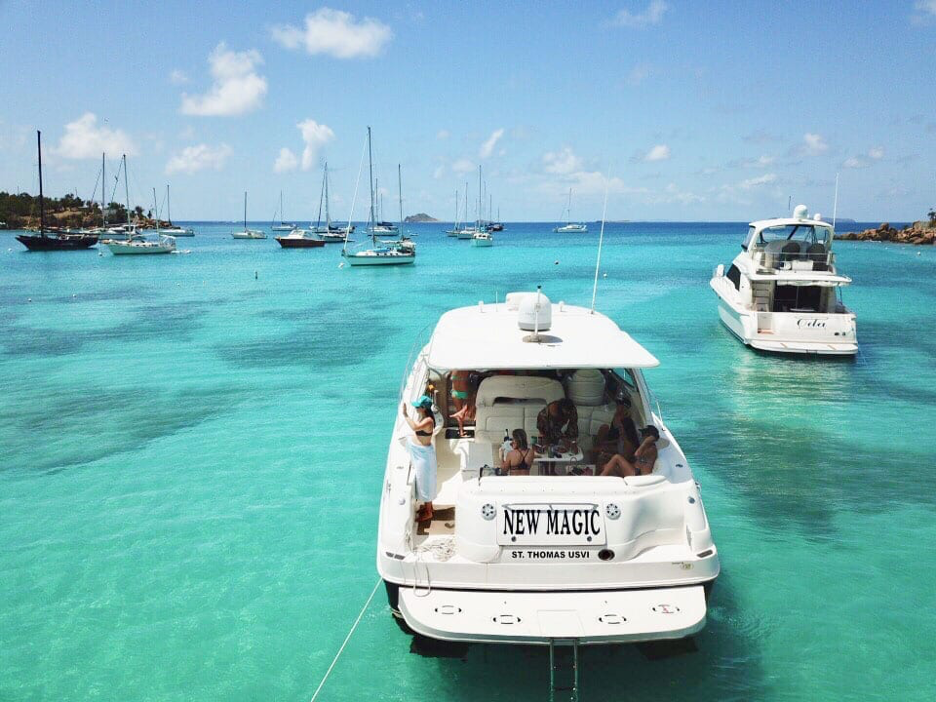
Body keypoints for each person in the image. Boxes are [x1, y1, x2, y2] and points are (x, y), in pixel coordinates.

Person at [402, 395, 437, 522]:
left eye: (417, 407)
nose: (416, 408)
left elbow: (415, 428)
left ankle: (428, 512)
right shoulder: (424, 417)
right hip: (420, 454)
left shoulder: (428, 420)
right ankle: (429, 508)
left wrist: (405, 414)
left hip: (424, 456)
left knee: (425, 482)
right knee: (424, 480)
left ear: (423, 408)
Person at [593, 397, 640, 466]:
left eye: (619, 405)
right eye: (617, 405)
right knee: (604, 427)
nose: (617, 406)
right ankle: (594, 461)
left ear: (624, 407)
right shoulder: (616, 416)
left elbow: (624, 457)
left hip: (617, 445)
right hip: (616, 442)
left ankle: (594, 464)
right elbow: (620, 439)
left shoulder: (626, 422)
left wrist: (608, 451)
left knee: (599, 453)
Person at [449, 370, 478, 437]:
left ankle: (461, 431)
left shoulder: (453, 368)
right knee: (474, 400)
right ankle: (470, 413)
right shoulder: (466, 368)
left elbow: (450, 375)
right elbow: (475, 372)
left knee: (459, 412)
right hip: (464, 391)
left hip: (455, 393)